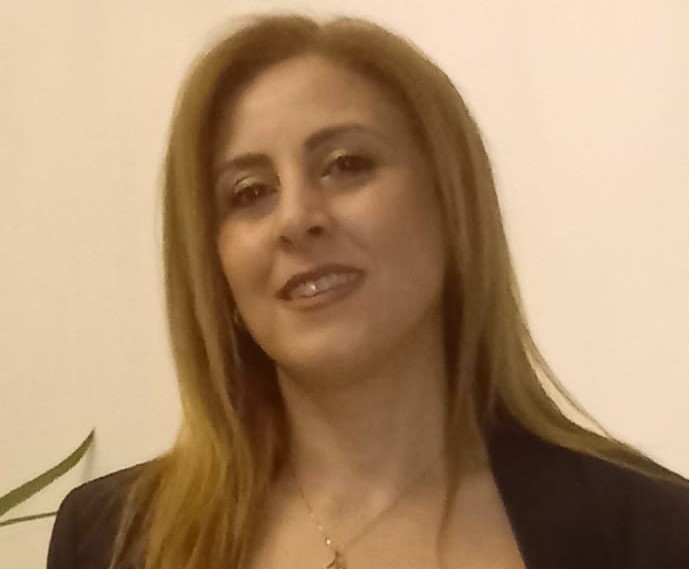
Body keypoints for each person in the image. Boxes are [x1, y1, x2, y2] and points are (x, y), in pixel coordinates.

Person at [47, 13, 689, 569]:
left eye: (346, 165)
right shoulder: (110, 539)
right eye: (249, 192)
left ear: (451, 202)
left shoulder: (653, 531)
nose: (296, 218)